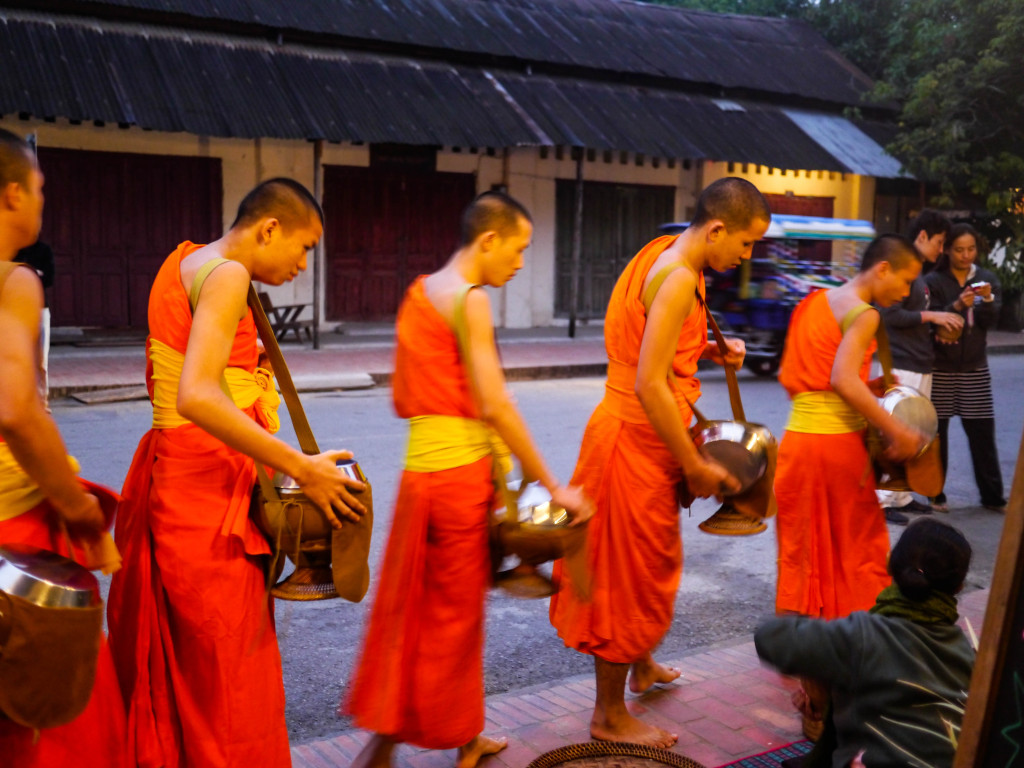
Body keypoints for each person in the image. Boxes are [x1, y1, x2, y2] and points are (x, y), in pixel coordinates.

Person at [107, 178, 367, 768]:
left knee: (187, 670)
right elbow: (199, 395)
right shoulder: (227, 274)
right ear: (268, 228)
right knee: (229, 673)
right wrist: (301, 466)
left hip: (174, 475)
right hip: (206, 497)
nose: (304, 264)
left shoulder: (185, 262)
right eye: (303, 247)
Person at [344, 191, 594, 768]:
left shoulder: (420, 292)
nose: (521, 262)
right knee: (452, 622)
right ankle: (382, 747)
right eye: (519, 248)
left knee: (414, 611)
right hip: (457, 480)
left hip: (421, 477)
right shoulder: (470, 300)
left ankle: (461, 735)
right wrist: (550, 485)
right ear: (488, 241)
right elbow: (494, 404)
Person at [548, 177, 768, 748]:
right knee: (627, 572)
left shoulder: (664, 254)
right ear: (717, 229)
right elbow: (650, 383)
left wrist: (712, 349)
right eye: (745, 245)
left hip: (628, 430)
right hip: (634, 435)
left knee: (638, 559)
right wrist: (692, 466)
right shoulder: (676, 278)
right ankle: (608, 716)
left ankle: (641, 665)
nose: (745, 258)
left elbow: (657, 347)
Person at [0, 128, 128, 766]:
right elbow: (16, 408)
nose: (42, 204)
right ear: (10, 194)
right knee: (48, 712)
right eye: (40, 189)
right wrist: (80, 512)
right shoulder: (14, 281)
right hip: (15, 526)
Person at [755, 517, 975, 768]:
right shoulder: (966, 653)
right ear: (958, 586)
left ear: (889, 564)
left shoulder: (864, 636)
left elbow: (771, 638)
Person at [876, 210, 962, 524]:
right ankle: (883, 500)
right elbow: (889, 315)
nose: (942, 250)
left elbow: (912, 318)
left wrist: (939, 325)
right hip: (903, 364)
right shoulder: (902, 270)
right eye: (940, 242)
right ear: (922, 236)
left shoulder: (919, 275)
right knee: (897, 431)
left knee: (916, 432)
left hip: (921, 363)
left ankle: (903, 496)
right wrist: (933, 317)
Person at [925, 223, 1005, 512]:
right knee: (937, 436)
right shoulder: (934, 281)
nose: (966, 255)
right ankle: (936, 494)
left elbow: (989, 321)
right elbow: (931, 319)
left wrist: (986, 301)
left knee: (982, 433)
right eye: (959, 249)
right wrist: (957, 305)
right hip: (942, 368)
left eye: (971, 249)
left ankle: (993, 496)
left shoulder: (986, 279)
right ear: (947, 250)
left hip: (974, 367)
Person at [14, 240, 55, 407]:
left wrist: (32, 274)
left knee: (41, 361)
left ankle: (43, 401)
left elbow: (49, 278)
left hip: (40, 308)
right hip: (20, 310)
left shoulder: (44, 250)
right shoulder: (17, 251)